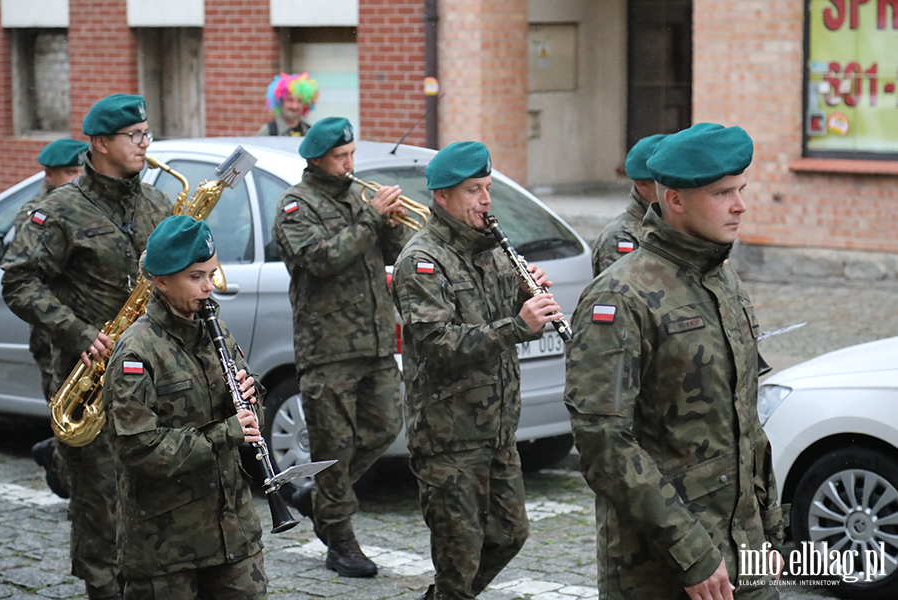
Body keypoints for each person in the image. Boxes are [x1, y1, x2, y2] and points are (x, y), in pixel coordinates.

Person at [564, 123, 786, 600]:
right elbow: (604, 442)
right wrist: (693, 553)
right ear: (676, 200)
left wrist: (768, 527)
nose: (740, 204)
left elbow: (744, 418)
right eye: (722, 193)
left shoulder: (721, 280)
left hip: (744, 551)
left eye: (740, 189)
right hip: (664, 566)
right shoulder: (621, 295)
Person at [1, 94, 172, 600]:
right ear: (99, 144)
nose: (145, 143)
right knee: (100, 505)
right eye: (134, 135)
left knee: (151, 498)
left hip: (151, 373)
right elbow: (19, 282)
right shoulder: (58, 211)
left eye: (147, 133)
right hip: (89, 380)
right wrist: (78, 332)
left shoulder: (157, 203)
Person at [391, 141, 565, 600]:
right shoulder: (421, 261)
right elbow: (438, 344)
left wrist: (525, 298)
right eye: (474, 190)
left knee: (510, 533)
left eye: (487, 188)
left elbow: (491, 313)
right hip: (450, 436)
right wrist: (518, 325)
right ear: (443, 197)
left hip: (496, 427)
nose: (486, 200)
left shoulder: (489, 248)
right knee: (458, 555)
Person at [104, 215, 267, 600]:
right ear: (161, 281)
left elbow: (244, 397)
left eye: (211, 273)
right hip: (167, 545)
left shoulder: (216, 329)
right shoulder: (136, 351)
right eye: (196, 277)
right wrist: (228, 432)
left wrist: (249, 394)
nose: (209, 287)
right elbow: (139, 449)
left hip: (233, 531)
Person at [271, 116, 406, 577]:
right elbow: (319, 260)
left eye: (351, 155)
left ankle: (319, 497)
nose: (350, 165)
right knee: (334, 445)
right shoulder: (295, 205)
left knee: (387, 425)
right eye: (340, 157)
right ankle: (341, 543)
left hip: (374, 339)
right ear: (317, 159)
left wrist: (389, 222)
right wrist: (371, 218)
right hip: (327, 346)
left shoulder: (356, 196)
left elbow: (390, 252)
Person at [14, 138, 90, 499]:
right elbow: (28, 280)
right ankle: (64, 474)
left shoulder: (85, 204)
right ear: (49, 174)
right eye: (70, 172)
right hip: (54, 337)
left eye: (81, 170)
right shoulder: (36, 213)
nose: (78, 178)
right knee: (67, 414)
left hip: (93, 332)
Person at [591, 133, 666, 277]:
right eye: (664, 182)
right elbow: (621, 296)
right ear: (641, 184)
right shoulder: (621, 237)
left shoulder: (673, 226)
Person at [256, 72, 319, 137]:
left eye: (299, 101)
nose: (294, 106)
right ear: (280, 102)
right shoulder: (268, 131)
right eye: (289, 100)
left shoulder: (310, 131)